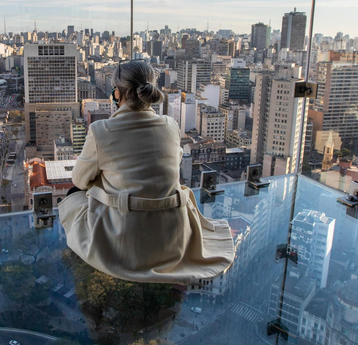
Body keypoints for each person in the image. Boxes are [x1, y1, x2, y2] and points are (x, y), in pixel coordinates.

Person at [59, 60, 234, 284]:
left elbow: (79, 181)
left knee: (75, 194)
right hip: (172, 236)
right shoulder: (170, 125)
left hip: (128, 243)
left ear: (116, 93)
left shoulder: (101, 130)